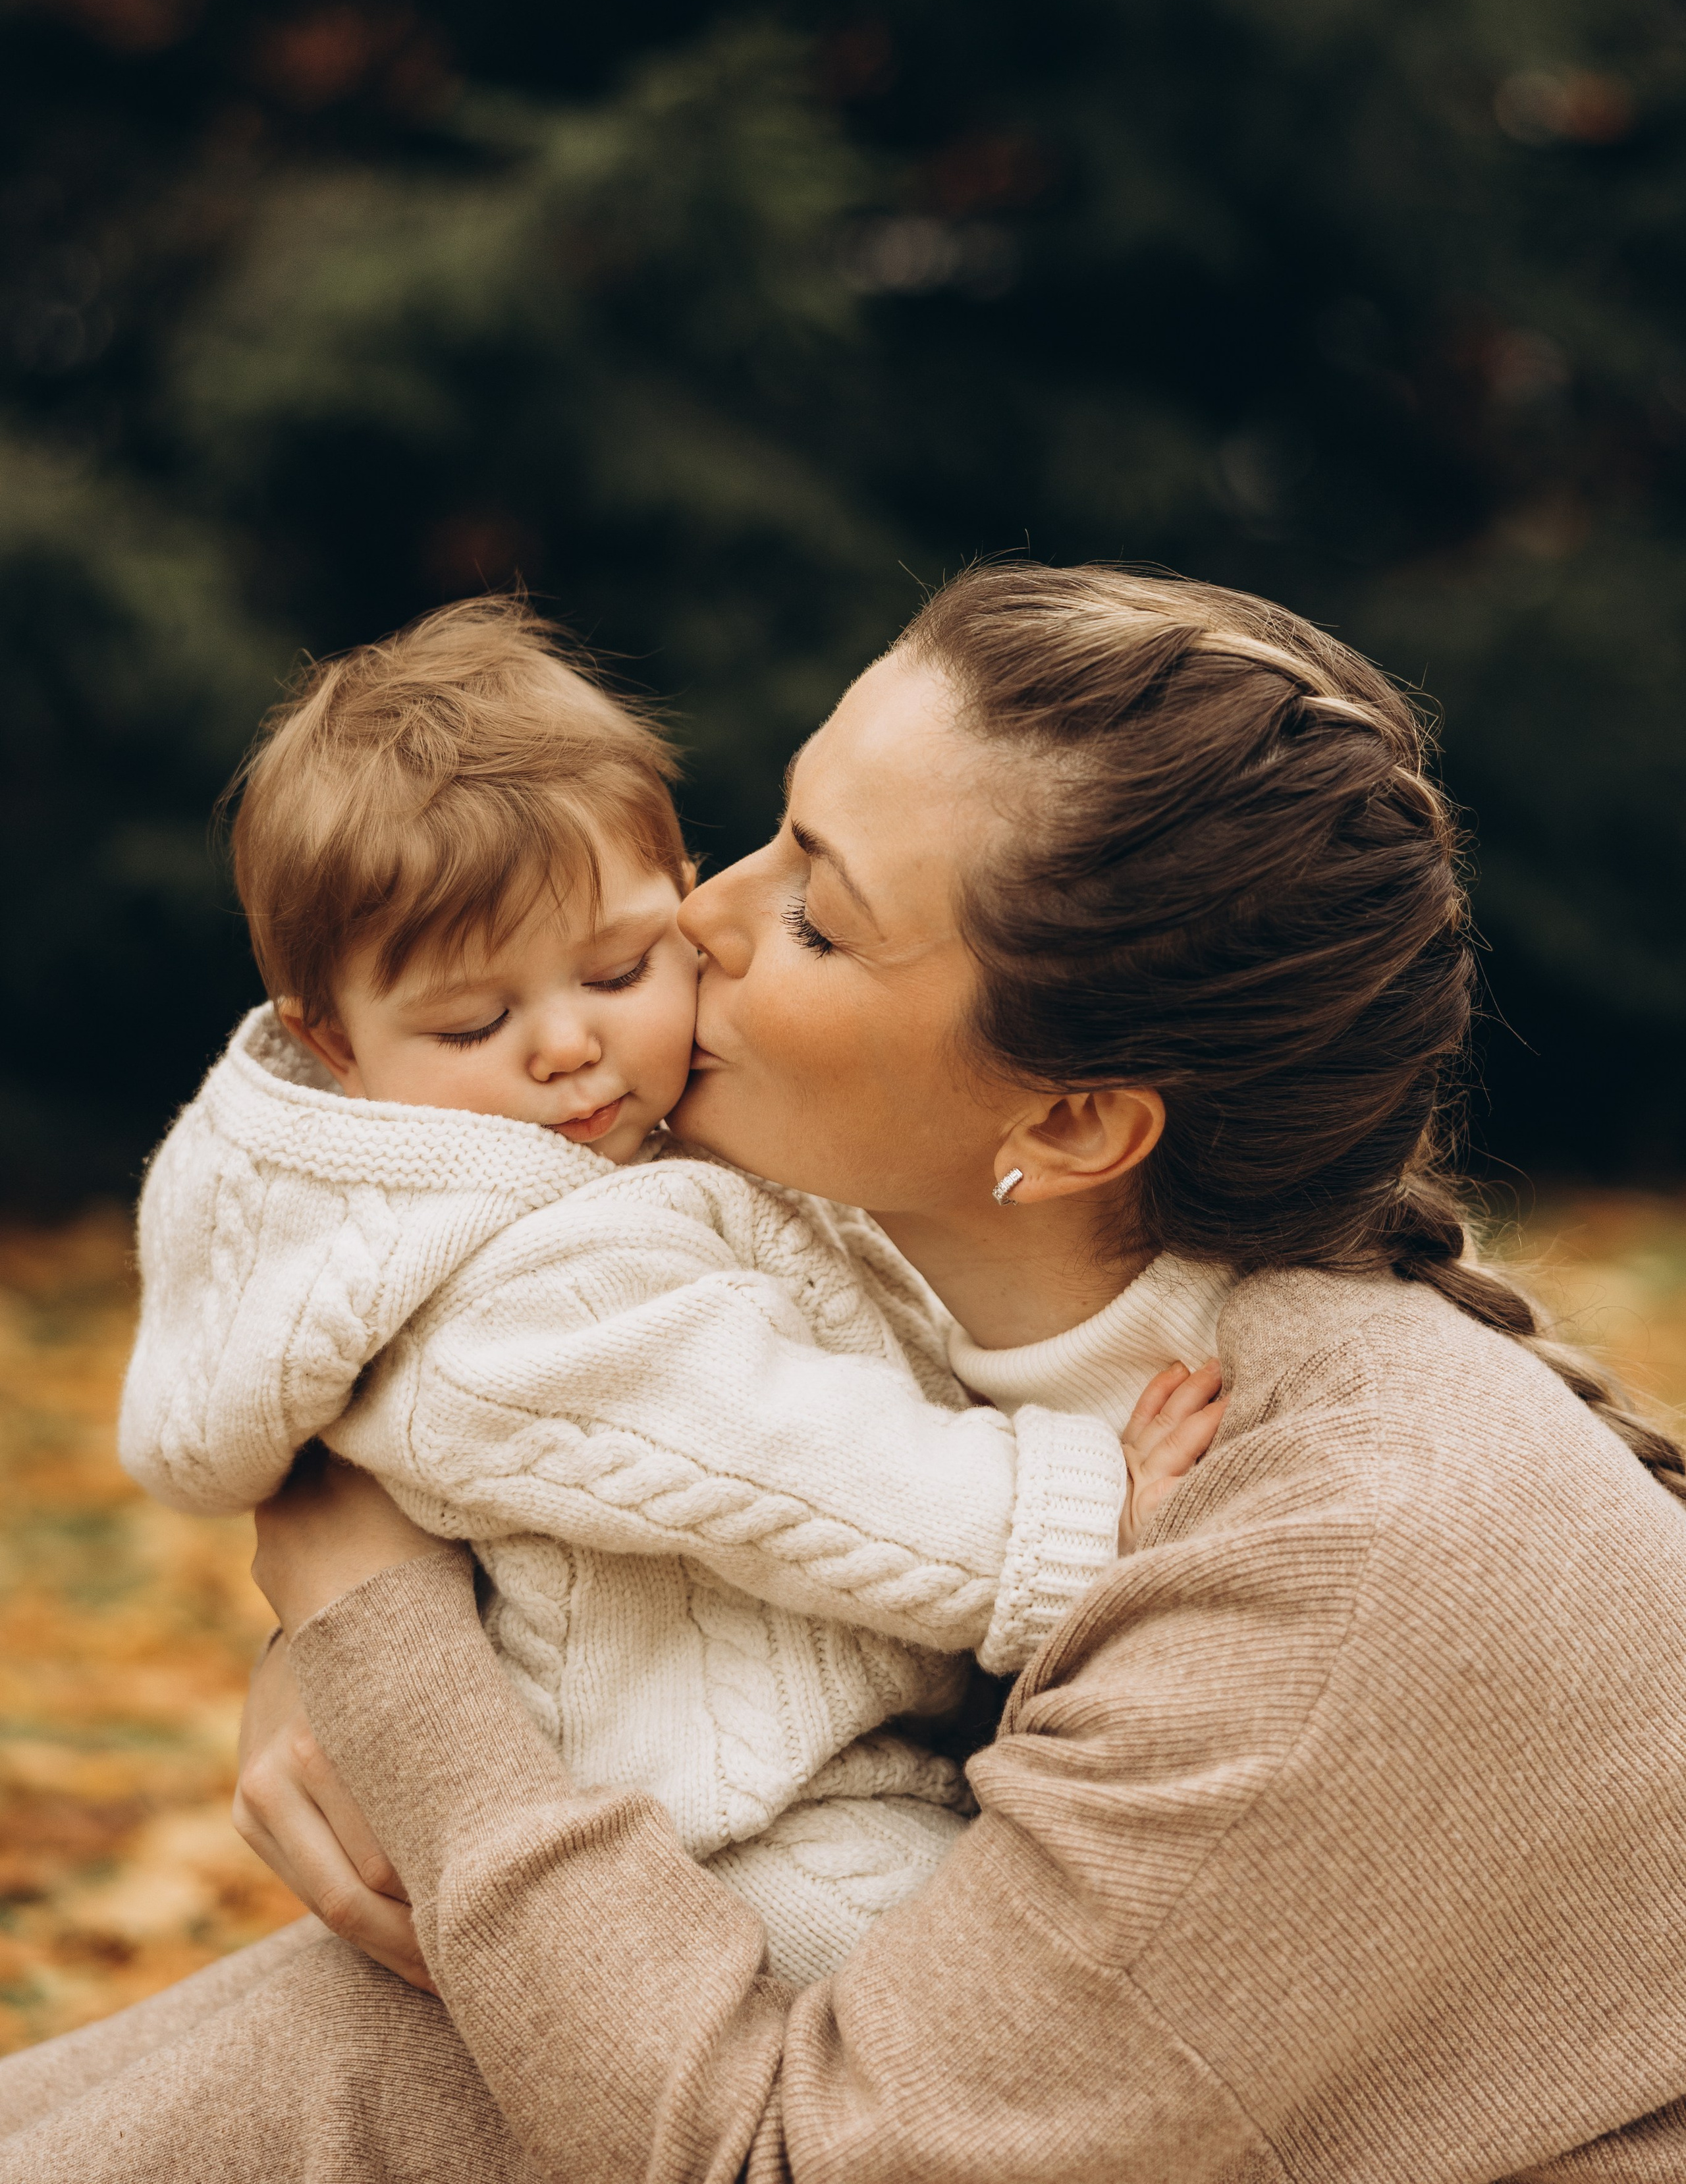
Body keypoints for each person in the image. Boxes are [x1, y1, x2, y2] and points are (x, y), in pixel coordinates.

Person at [4, 561, 1686, 2181]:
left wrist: (370, 1620)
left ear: (1073, 1122)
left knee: (383, 2069)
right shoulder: (859, 1269)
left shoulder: (1332, 1543)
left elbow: (793, 2160)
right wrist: (367, 1616)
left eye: (816, 912)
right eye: (768, 831)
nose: (693, 923)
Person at [121, 595, 1222, 1982]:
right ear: (334, 1045)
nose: (569, 1047)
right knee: (1020, 1993)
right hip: (718, 1830)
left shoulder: (634, 1157)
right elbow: (787, 1451)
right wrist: (1076, 1516)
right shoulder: (515, 1292)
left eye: (619, 968)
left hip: (819, 1759)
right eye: (473, 1022)